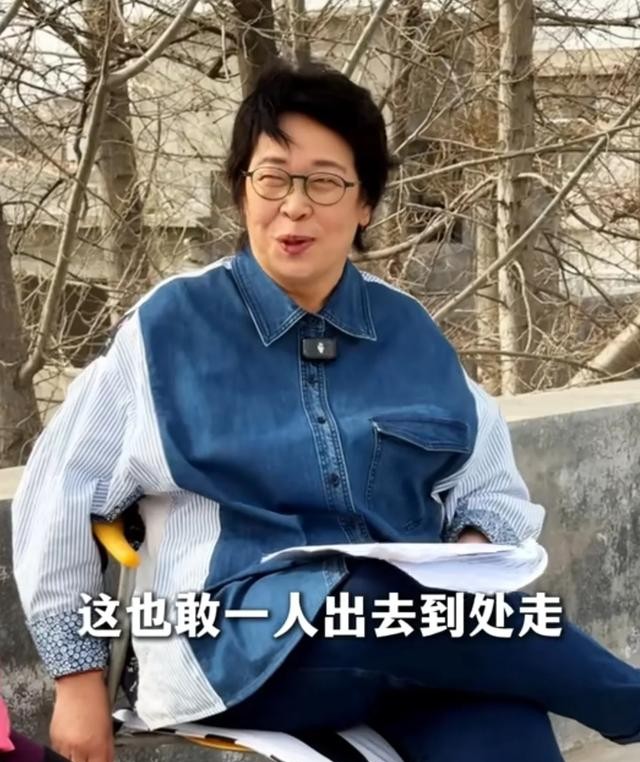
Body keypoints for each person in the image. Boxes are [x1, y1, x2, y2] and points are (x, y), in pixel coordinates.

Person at [11, 60, 640, 762]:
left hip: (422, 637)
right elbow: (61, 494)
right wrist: (77, 681)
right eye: (272, 179)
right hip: (235, 644)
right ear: (242, 189)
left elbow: (489, 485)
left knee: (507, 737)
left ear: (365, 202)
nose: (294, 206)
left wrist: (470, 551)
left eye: (325, 182)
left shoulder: (410, 333)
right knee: (373, 599)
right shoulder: (167, 331)